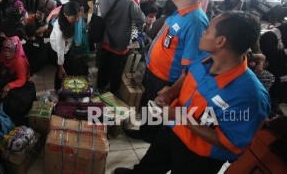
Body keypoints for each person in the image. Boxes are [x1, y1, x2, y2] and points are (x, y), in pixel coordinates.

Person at [115, 11, 270, 174]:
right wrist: (170, 93)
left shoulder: (249, 96)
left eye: (208, 30)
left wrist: (181, 116)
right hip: (173, 129)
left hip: (200, 156)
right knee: (151, 164)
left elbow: (231, 142)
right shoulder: (205, 57)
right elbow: (187, 73)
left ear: (220, 41)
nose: (203, 32)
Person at [132, 0, 209, 143]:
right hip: (155, 72)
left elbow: (192, 65)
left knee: (157, 113)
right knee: (148, 107)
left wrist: (171, 88)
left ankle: (149, 138)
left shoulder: (195, 22)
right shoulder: (180, 13)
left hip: (167, 79)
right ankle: (143, 132)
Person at [97, 0, 145, 94]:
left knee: (104, 65)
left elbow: (98, 16)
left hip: (105, 39)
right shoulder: (129, 2)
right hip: (121, 42)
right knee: (117, 68)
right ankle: (113, 91)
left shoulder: (103, 0)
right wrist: (133, 30)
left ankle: (100, 86)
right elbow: (141, 19)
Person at [0, 36, 35, 125]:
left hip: (21, 85)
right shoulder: (3, 55)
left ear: (15, 50)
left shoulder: (19, 61)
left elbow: (22, 80)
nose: (6, 54)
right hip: (9, 80)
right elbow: (0, 68)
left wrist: (9, 86)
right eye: (5, 50)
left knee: (14, 105)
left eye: (10, 51)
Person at [50, 1, 82, 90]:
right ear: (65, 15)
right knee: (60, 71)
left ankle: (66, 87)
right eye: (74, 18)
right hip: (57, 49)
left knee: (67, 66)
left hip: (67, 47)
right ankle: (57, 88)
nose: (77, 20)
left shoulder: (74, 18)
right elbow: (60, 49)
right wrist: (61, 67)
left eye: (78, 16)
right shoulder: (59, 29)